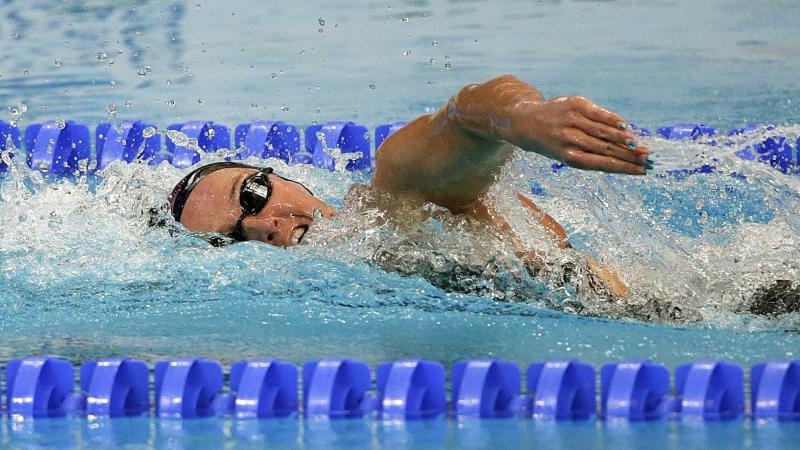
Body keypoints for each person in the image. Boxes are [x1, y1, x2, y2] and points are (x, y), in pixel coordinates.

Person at [168, 75, 653, 300]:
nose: (260, 227)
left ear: (285, 176)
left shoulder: (390, 203)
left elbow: (466, 113)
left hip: (658, 306)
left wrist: (522, 118)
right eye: (228, 239)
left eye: (251, 197)